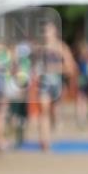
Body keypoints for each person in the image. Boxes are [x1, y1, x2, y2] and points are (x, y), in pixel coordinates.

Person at [33, 23, 76, 151]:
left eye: (48, 31)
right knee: (43, 110)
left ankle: (52, 129)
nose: (46, 34)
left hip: (56, 83)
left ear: (54, 32)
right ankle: (44, 141)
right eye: (44, 31)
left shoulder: (61, 47)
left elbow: (70, 68)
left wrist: (55, 68)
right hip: (43, 84)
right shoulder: (39, 48)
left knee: (53, 112)